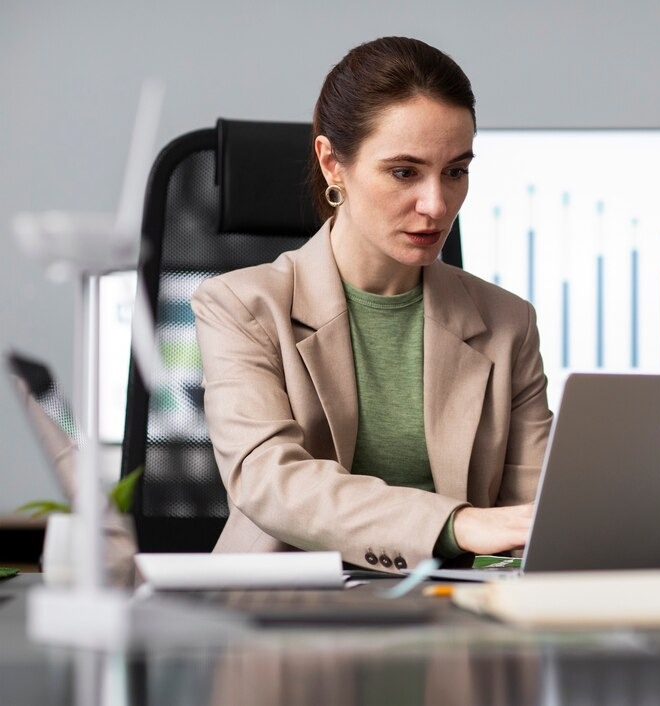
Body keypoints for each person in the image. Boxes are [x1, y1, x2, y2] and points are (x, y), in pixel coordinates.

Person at [191, 37, 553, 573]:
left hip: (456, 618)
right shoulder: (241, 306)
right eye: (405, 172)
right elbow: (270, 481)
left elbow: (535, 513)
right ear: (332, 163)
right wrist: (454, 524)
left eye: (455, 171)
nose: (436, 205)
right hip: (284, 619)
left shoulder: (507, 322)